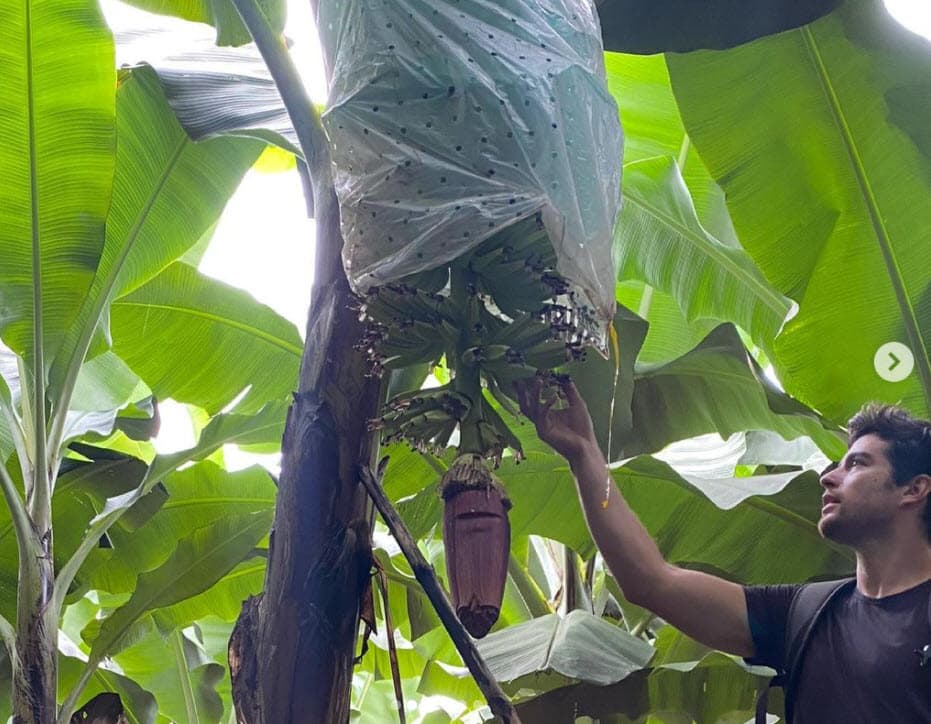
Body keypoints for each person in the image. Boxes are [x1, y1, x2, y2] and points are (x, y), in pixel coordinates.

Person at [514, 376, 931, 723]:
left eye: (857, 464)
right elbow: (652, 581)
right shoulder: (806, 614)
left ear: (914, 489)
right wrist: (584, 455)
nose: (828, 477)